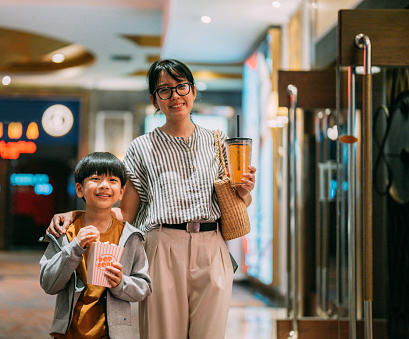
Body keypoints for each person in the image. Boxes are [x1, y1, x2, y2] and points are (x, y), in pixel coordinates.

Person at [47, 59, 256, 339]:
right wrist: (75, 216)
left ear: (193, 91)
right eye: (165, 90)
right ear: (154, 99)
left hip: (212, 246)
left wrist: (244, 191)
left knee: (211, 333)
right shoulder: (142, 147)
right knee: (162, 333)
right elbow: (126, 213)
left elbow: (236, 203)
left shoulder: (217, 143)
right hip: (162, 246)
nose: (175, 96)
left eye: (181, 87)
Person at [39, 152, 152, 339]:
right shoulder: (66, 232)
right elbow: (48, 284)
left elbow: (144, 286)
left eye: (113, 180)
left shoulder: (130, 237)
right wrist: (74, 248)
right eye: (95, 178)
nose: (104, 185)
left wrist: (120, 282)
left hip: (112, 335)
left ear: (122, 191)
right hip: (68, 333)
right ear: (79, 189)